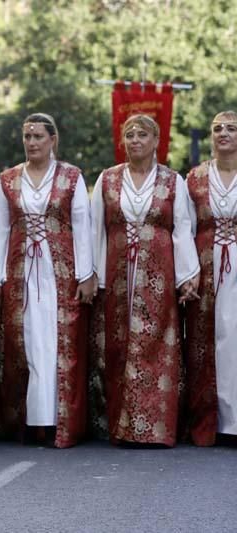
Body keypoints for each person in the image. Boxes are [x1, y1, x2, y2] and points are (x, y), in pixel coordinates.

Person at [0, 113, 95, 448]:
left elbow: (82, 227)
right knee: (27, 341)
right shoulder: (8, 180)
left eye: (38, 137)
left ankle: (58, 422)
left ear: (53, 140)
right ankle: (31, 421)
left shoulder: (71, 177)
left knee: (57, 343)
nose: (32, 143)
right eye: (27, 137)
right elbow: (0, 229)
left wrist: (86, 274)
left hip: (59, 273)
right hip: (20, 273)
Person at [91, 114, 199, 447]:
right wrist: (94, 276)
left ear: (155, 141)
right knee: (120, 347)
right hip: (118, 275)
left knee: (158, 346)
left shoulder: (172, 181)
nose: (135, 140)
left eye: (142, 134)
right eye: (130, 135)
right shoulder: (107, 180)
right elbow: (95, 230)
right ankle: (122, 426)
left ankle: (155, 427)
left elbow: (182, 229)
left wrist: (187, 277)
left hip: (158, 276)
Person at [185, 110, 237, 446]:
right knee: (209, 342)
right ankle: (212, 420)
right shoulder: (195, 177)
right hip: (206, 263)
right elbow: (186, 228)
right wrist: (187, 273)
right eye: (217, 128)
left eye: (231, 128)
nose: (223, 133)